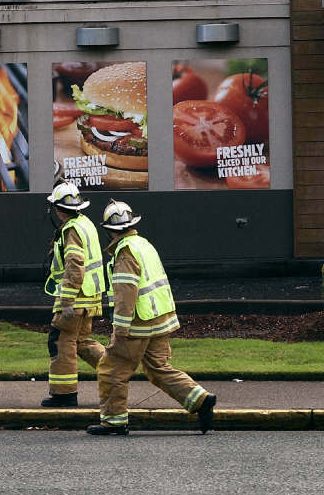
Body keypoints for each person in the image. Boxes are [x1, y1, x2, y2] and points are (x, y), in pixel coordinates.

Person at [87, 199, 216, 435]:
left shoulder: (125, 253)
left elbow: (126, 297)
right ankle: (201, 400)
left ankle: (114, 421)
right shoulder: (143, 244)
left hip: (139, 323)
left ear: (109, 230)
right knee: (158, 367)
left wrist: (120, 332)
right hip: (160, 318)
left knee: (111, 369)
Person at [41, 181, 107, 407]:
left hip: (75, 298)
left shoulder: (71, 230)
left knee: (60, 341)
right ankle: (115, 371)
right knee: (80, 341)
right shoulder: (85, 223)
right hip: (90, 296)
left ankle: (63, 394)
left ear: (58, 209)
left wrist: (66, 300)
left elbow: (75, 266)